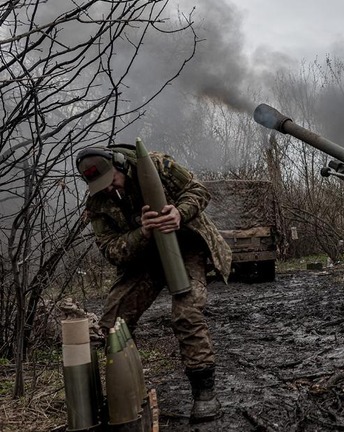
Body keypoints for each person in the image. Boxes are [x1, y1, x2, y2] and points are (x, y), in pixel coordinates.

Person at [76, 144, 232, 423]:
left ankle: (204, 393)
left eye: (112, 181)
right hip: (143, 258)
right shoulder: (98, 203)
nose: (110, 190)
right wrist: (143, 231)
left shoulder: (158, 166)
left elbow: (199, 191)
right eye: (102, 187)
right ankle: (125, 394)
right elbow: (111, 250)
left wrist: (179, 213)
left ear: (121, 164)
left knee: (187, 313)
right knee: (113, 322)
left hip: (184, 247)